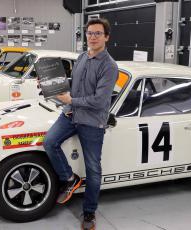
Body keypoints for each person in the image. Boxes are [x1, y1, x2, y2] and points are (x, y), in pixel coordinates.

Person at [43, 18, 118, 230]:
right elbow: (73, 84)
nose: (92, 37)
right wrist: (51, 86)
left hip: (92, 122)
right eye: (89, 33)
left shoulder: (110, 66)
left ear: (106, 37)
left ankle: (89, 213)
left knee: (93, 169)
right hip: (71, 114)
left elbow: (100, 101)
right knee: (49, 142)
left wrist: (71, 101)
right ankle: (69, 178)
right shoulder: (82, 57)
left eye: (97, 33)